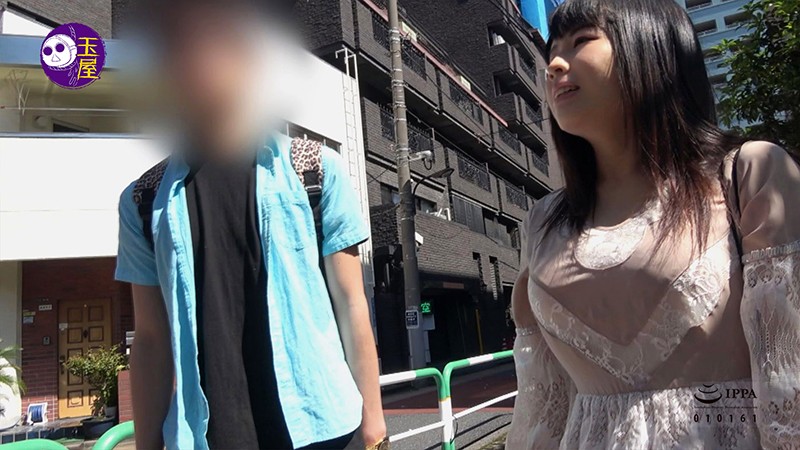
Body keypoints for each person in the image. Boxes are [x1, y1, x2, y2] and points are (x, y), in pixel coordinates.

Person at [506, 0, 800, 448]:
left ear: (652, 47)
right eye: (552, 52)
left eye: (581, 40)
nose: (554, 65)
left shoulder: (749, 174)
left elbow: (789, 393)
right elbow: (542, 405)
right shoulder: (543, 222)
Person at [114, 1, 387, 449]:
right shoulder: (143, 201)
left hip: (322, 430)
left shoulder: (315, 170)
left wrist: (373, 425)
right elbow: (149, 338)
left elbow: (352, 302)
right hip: (205, 437)